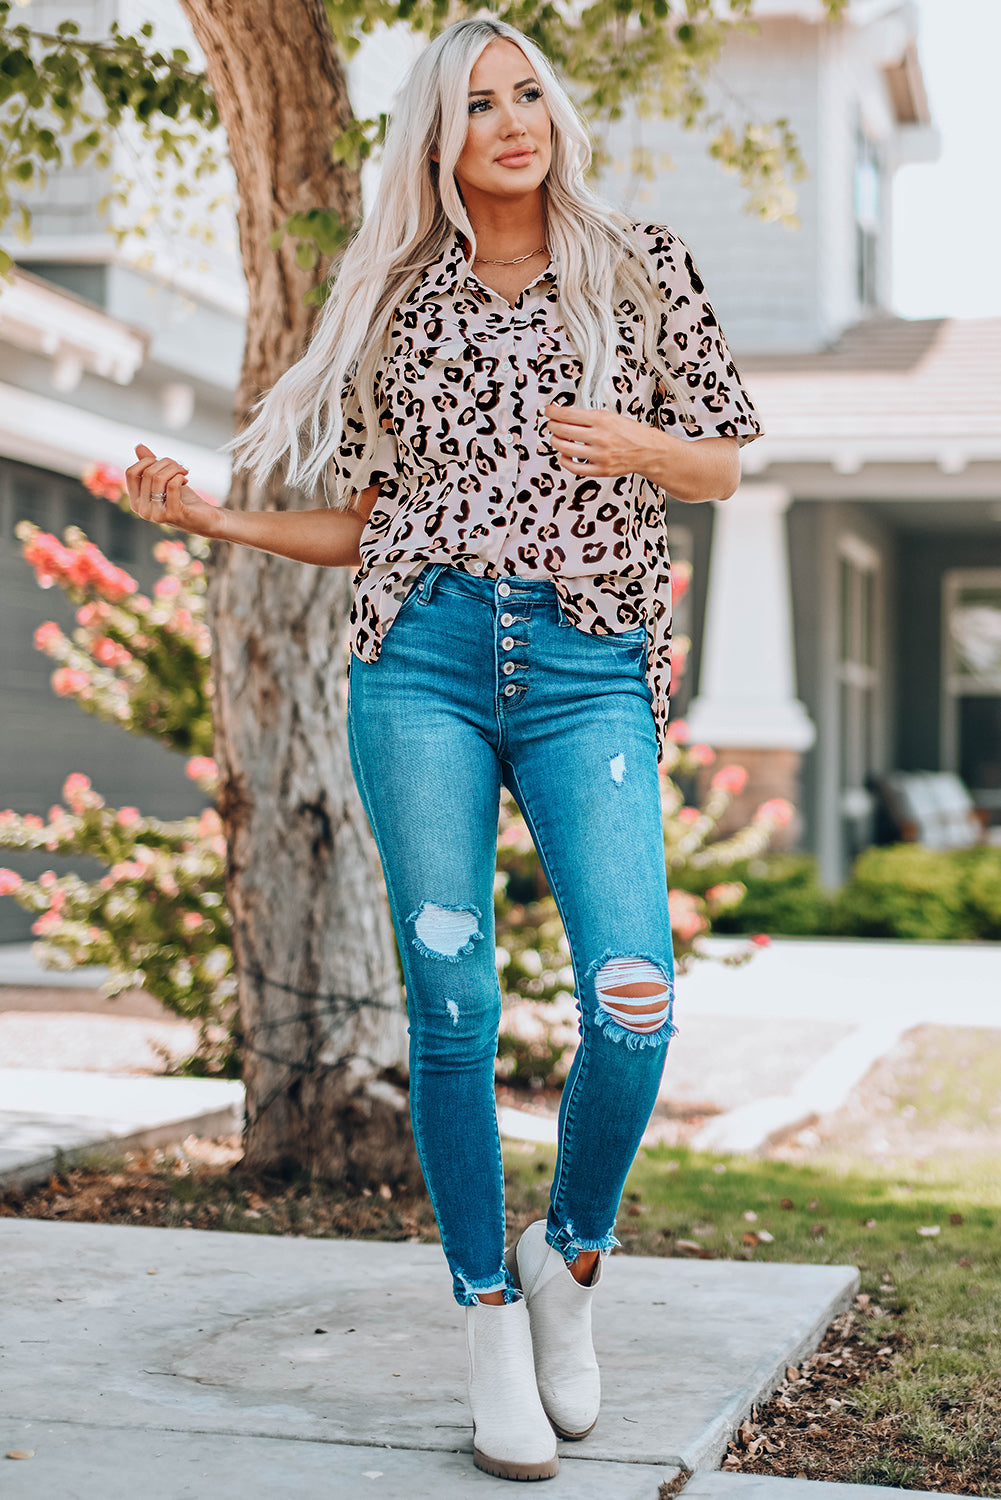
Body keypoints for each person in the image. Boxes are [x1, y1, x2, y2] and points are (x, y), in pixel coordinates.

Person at [125, 16, 762, 1483]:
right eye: (478, 103)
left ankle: (569, 1260)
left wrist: (631, 447)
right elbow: (369, 524)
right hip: (417, 662)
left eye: (526, 92)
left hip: (586, 667)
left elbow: (723, 456)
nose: (511, 120)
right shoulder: (401, 300)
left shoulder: (639, 262)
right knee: (454, 1000)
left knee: (633, 999)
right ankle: (485, 1313)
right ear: (439, 137)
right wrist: (216, 519)